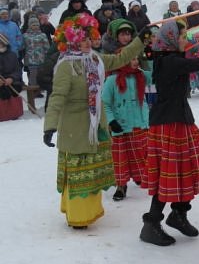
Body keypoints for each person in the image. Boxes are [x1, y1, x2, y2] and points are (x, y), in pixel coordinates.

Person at [42, 13, 148, 229]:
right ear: (71, 41)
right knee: (79, 173)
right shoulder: (66, 66)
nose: (87, 43)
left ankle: (90, 211)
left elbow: (120, 58)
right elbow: (57, 97)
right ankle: (78, 215)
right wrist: (50, 126)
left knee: (90, 173)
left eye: (89, 39)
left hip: (95, 125)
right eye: (82, 40)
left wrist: (140, 40)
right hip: (75, 127)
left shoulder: (94, 59)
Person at [139, 20, 199, 246]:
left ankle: (179, 213)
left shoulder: (167, 57)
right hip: (169, 123)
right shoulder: (170, 61)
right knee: (168, 175)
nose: (185, 40)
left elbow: (190, 53)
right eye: (182, 36)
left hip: (178, 119)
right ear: (171, 40)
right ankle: (151, 224)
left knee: (185, 167)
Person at [102, 53, 152, 201]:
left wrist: (151, 56)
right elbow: (105, 103)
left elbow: (156, 75)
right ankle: (121, 185)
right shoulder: (112, 80)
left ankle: (139, 176)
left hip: (139, 123)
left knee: (141, 154)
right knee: (120, 158)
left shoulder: (141, 75)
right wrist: (111, 121)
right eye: (132, 59)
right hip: (121, 125)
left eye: (136, 58)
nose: (135, 62)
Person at [22, 16, 49, 94]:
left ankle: (40, 89)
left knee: (41, 75)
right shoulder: (25, 36)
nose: (35, 27)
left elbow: (47, 46)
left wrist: (47, 55)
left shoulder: (42, 35)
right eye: (33, 25)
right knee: (33, 75)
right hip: (30, 59)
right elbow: (22, 46)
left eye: (37, 25)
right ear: (30, 26)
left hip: (41, 59)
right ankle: (33, 90)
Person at [0, 33, 24, 121]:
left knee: (10, 91)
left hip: (13, 82)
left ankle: (11, 112)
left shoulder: (12, 55)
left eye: (1, 42)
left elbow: (18, 71)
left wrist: (11, 78)